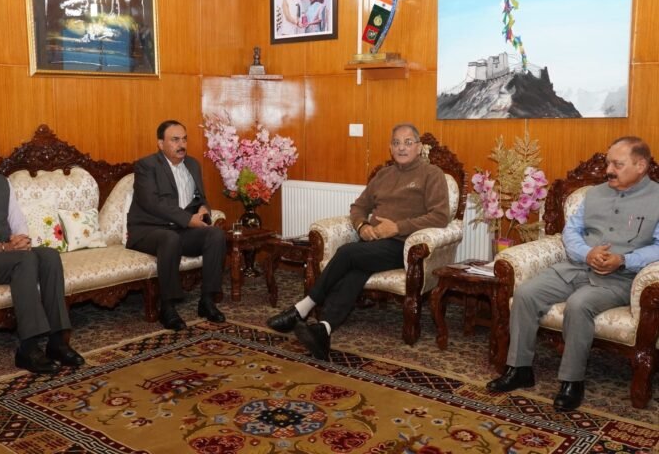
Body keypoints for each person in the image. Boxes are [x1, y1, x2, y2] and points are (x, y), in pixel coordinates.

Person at [486, 136, 659, 411]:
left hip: (619, 277)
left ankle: (572, 382)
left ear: (640, 166)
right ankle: (519, 369)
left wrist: (623, 260)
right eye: (608, 163)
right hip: (576, 266)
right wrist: (586, 254)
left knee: (579, 305)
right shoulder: (594, 194)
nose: (609, 170)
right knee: (526, 294)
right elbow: (571, 232)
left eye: (617, 164)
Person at [266, 123, 450, 360]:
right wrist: (362, 226)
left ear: (419, 147)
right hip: (373, 244)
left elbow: (440, 216)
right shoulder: (383, 175)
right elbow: (358, 207)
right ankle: (324, 329)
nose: (402, 148)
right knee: (355, 272)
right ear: (390, 147)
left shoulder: (432, 174)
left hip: (405, 247)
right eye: (396, 143)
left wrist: (397, 227)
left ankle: (302, 308)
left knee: (346, 252)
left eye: (408, 142)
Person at [0, 122, 84, 374]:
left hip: (7, 254)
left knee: (48, 256)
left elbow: (16, 218)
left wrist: (21, 239)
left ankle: (57, 341)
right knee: (24, 260)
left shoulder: (0, 182)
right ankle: (28, 348)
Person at [127, 120, 226, 331]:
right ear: (160, 144)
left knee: (215, 234)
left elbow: (199, 198)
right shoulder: (147, 166)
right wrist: (188, 220)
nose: (181, 144)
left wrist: (204, 209)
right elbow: (151, 202)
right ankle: (168, 307)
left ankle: (207, 300)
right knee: (169, 238)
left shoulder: (192, 165)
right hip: (147, 230)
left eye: (184, 139)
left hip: (180, 230)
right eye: (175, 140)